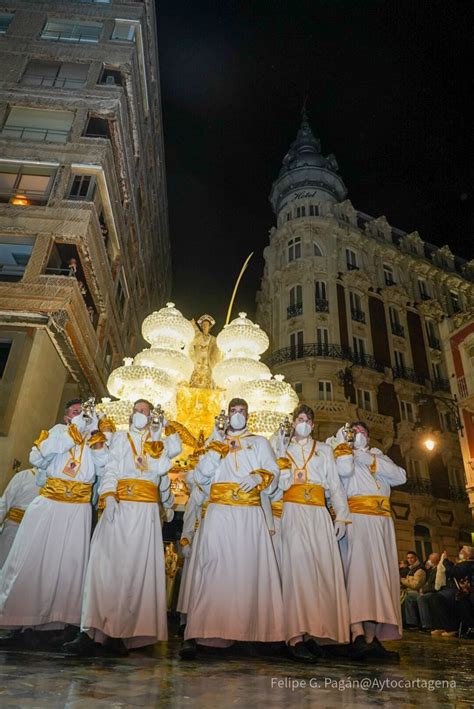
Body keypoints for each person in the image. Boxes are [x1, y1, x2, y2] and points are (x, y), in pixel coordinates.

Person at [64, 399, 181, 656]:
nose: (139, 415)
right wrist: (108, 495)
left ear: (152, 417)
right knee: (103, 566)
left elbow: (163, 467)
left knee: (133, 569)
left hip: (144, 512)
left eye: (145, 412)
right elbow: (110, 469)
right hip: (118, 507)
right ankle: (90, 631)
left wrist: (160, 434)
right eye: (136, 411)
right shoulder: (118, 437)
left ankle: (121, 633)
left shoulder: (157, 441)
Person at [181, 398, 284, 659]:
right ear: (227, 416)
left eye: (242, 411)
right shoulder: (215, 442)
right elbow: (201, 476)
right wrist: (216, 447)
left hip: (249, 514)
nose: (237, 415)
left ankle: (248, 634)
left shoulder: (259, 442)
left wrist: (258, 477)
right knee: (214, 568)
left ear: (249, 416)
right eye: (233, 412)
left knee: (247, 571)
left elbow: (273, 470)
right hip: (218, 513)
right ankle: (206, 633)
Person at [0, 399, 105, 650]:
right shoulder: (57, 432)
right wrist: (74, 430)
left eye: (85, 412)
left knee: (68, 563)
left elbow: (103, 465)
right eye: (76, 411)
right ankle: (20, 620)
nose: (81, 414)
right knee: (33, 558)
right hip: (49, 503)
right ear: (66, 416)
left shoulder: (95, 438)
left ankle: (57, 624)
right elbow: (37, 457)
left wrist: (96, 436)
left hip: (78, 508)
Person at [278, 405, 351, 662]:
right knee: (296, 570)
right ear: (292, 421)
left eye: (308, 420)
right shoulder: (282, 447)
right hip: (293, 512)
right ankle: (294, 636)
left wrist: (341, 515)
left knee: (319, 572)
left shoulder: (324, 450)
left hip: (318, 514)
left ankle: (311, 633)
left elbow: (335, 485)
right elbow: (276, 483)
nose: (304, 423)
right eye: (300, 418)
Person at [332, 421, 406, 661]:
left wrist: (368, 459)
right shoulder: (342, 453)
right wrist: (348, 448)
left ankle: (373, 639)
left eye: (362, 431)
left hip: (383, 522)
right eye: (354, 431)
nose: (358, 434)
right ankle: (356, 633)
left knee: (379, 579)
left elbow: (400, 476)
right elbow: (338, 480)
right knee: (357, 575)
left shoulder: (377, 456)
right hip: (358, 519)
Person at [0, 468, 39, 567]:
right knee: (3, 559)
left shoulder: (53, 485)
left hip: (33, 533)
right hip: (13, 527)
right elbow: (5, 501)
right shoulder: (23, 475)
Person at [403, 553, 439, 630]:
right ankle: (411, 622)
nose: (428, 561)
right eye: (408, 558)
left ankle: (426, 625)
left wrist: (423, 590)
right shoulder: (412, 569)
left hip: (427, 591)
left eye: (430, 559)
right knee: (407, 596)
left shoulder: (421, 569)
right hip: (421, 590)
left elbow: (417, 585)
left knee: (419, 598)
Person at [189, 315, 220, 388]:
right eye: (203, 325)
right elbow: (192, 342)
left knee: (207, 382)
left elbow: (217, 351)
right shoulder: (198, 336)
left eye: (206, 325)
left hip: (207, 363)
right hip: (197, 361)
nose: (204, 326)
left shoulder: (214, 339)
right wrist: (193, 325)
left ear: (210, 326)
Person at [401, 551, 426, 627]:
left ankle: (411, 622)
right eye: (408, 558)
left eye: (412, 558)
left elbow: (415, 585)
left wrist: (402, 580)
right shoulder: (411, 569)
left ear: (416, 558)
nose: (410, 560)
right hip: (410, 590)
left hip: (418, 592)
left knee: (407, 596)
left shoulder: (419, 569)